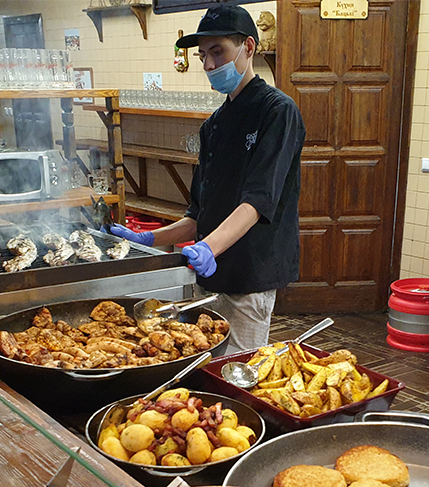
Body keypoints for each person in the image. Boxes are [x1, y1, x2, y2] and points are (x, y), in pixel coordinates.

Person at [105, 6, 305, 353]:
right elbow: (199, 214)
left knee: (236, 373)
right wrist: (149, 238)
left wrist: (208, 247)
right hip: (207, 275)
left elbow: (257, 201)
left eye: (218, 52)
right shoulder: (213, 125)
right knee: (200, 362)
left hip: (248, 275)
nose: (210, 65)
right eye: (202, 56)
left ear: (248, 47)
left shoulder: (277, 111)